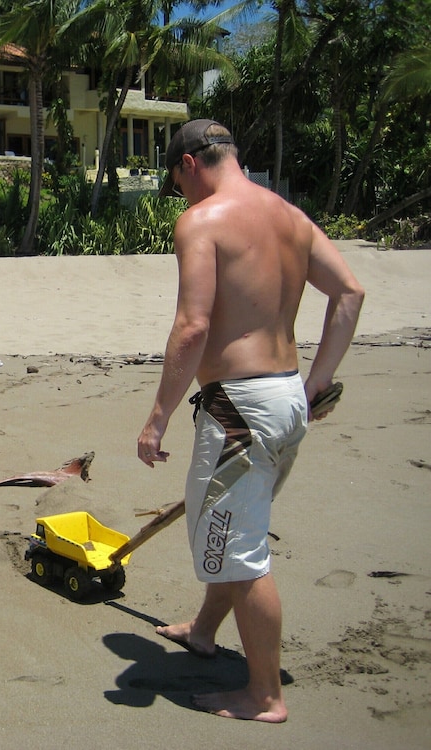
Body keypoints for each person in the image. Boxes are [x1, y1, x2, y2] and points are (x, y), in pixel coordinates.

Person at [137, 120, 364, 722]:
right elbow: (350, 293)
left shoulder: (202, 221)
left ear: (189, 164)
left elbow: (193, 326)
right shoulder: (290, 217)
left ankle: (264, 694)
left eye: (176, 182)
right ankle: (204, 631)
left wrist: (157, 418)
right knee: (238, 528)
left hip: (239, 410)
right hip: (287, 398)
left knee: (240, 552)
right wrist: (317, 382)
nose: (180, 195)